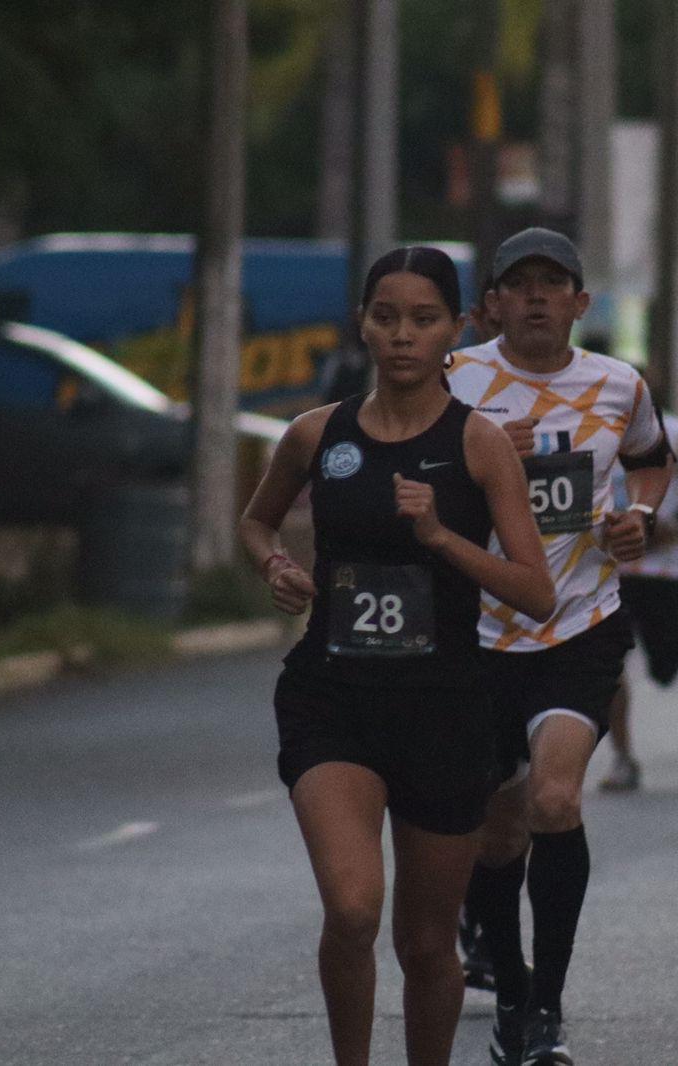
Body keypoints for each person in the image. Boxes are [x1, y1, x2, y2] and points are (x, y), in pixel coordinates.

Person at [238, 247, 555, 1066]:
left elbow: (535, 590)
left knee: (424, 947)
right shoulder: (317, 434)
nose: (403, 336)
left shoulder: (481, 445)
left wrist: (440, 536)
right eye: (386, 317)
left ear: (456, 330)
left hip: (444, 708)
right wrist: (276, 565)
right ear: (363, 326)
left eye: (423, 319)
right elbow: (255, 521)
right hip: (332, 699)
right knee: (351, 908)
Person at [447, 227, 672, 1066]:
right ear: (493, 303)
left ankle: (546, 1008)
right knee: (497, 832)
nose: (537, 298)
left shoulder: (618, 386)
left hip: (577, 623)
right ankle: (508, 991)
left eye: (555, 284)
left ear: (582, 304)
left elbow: (653, 462)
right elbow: (411, 477)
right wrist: (470, 461)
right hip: (474, 631)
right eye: (521, 284)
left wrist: (638, 516)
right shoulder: (455, 380)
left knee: (554, 802)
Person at [599, 410, 678, 792]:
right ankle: (623, 757)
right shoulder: (593, 430)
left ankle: (664, 661)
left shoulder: (677, 433)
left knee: (668, 663)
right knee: (609, 665)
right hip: (609, 573)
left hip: (662, 571)